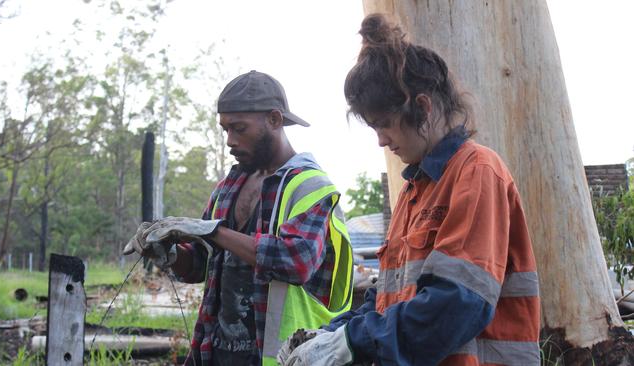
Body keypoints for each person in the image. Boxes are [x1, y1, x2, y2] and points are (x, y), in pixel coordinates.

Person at [278, 14, 540, 366]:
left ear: (423, 108)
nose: (381, 140)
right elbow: (387, 300)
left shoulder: (476, 172)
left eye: (384, 125)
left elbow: (457, 304)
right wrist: (331, 333)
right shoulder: (414, 189)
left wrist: (353, 342)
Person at [124, 70, 353, 366]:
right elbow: (202, 264)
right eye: (225, 130)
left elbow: (295, 262)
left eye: (239, 128)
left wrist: (212, 231)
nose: (230, 140)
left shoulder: (310, 186)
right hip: (216, 353)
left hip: (283, 357)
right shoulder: (227, 188)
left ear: (274, 119)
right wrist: (166, 253)